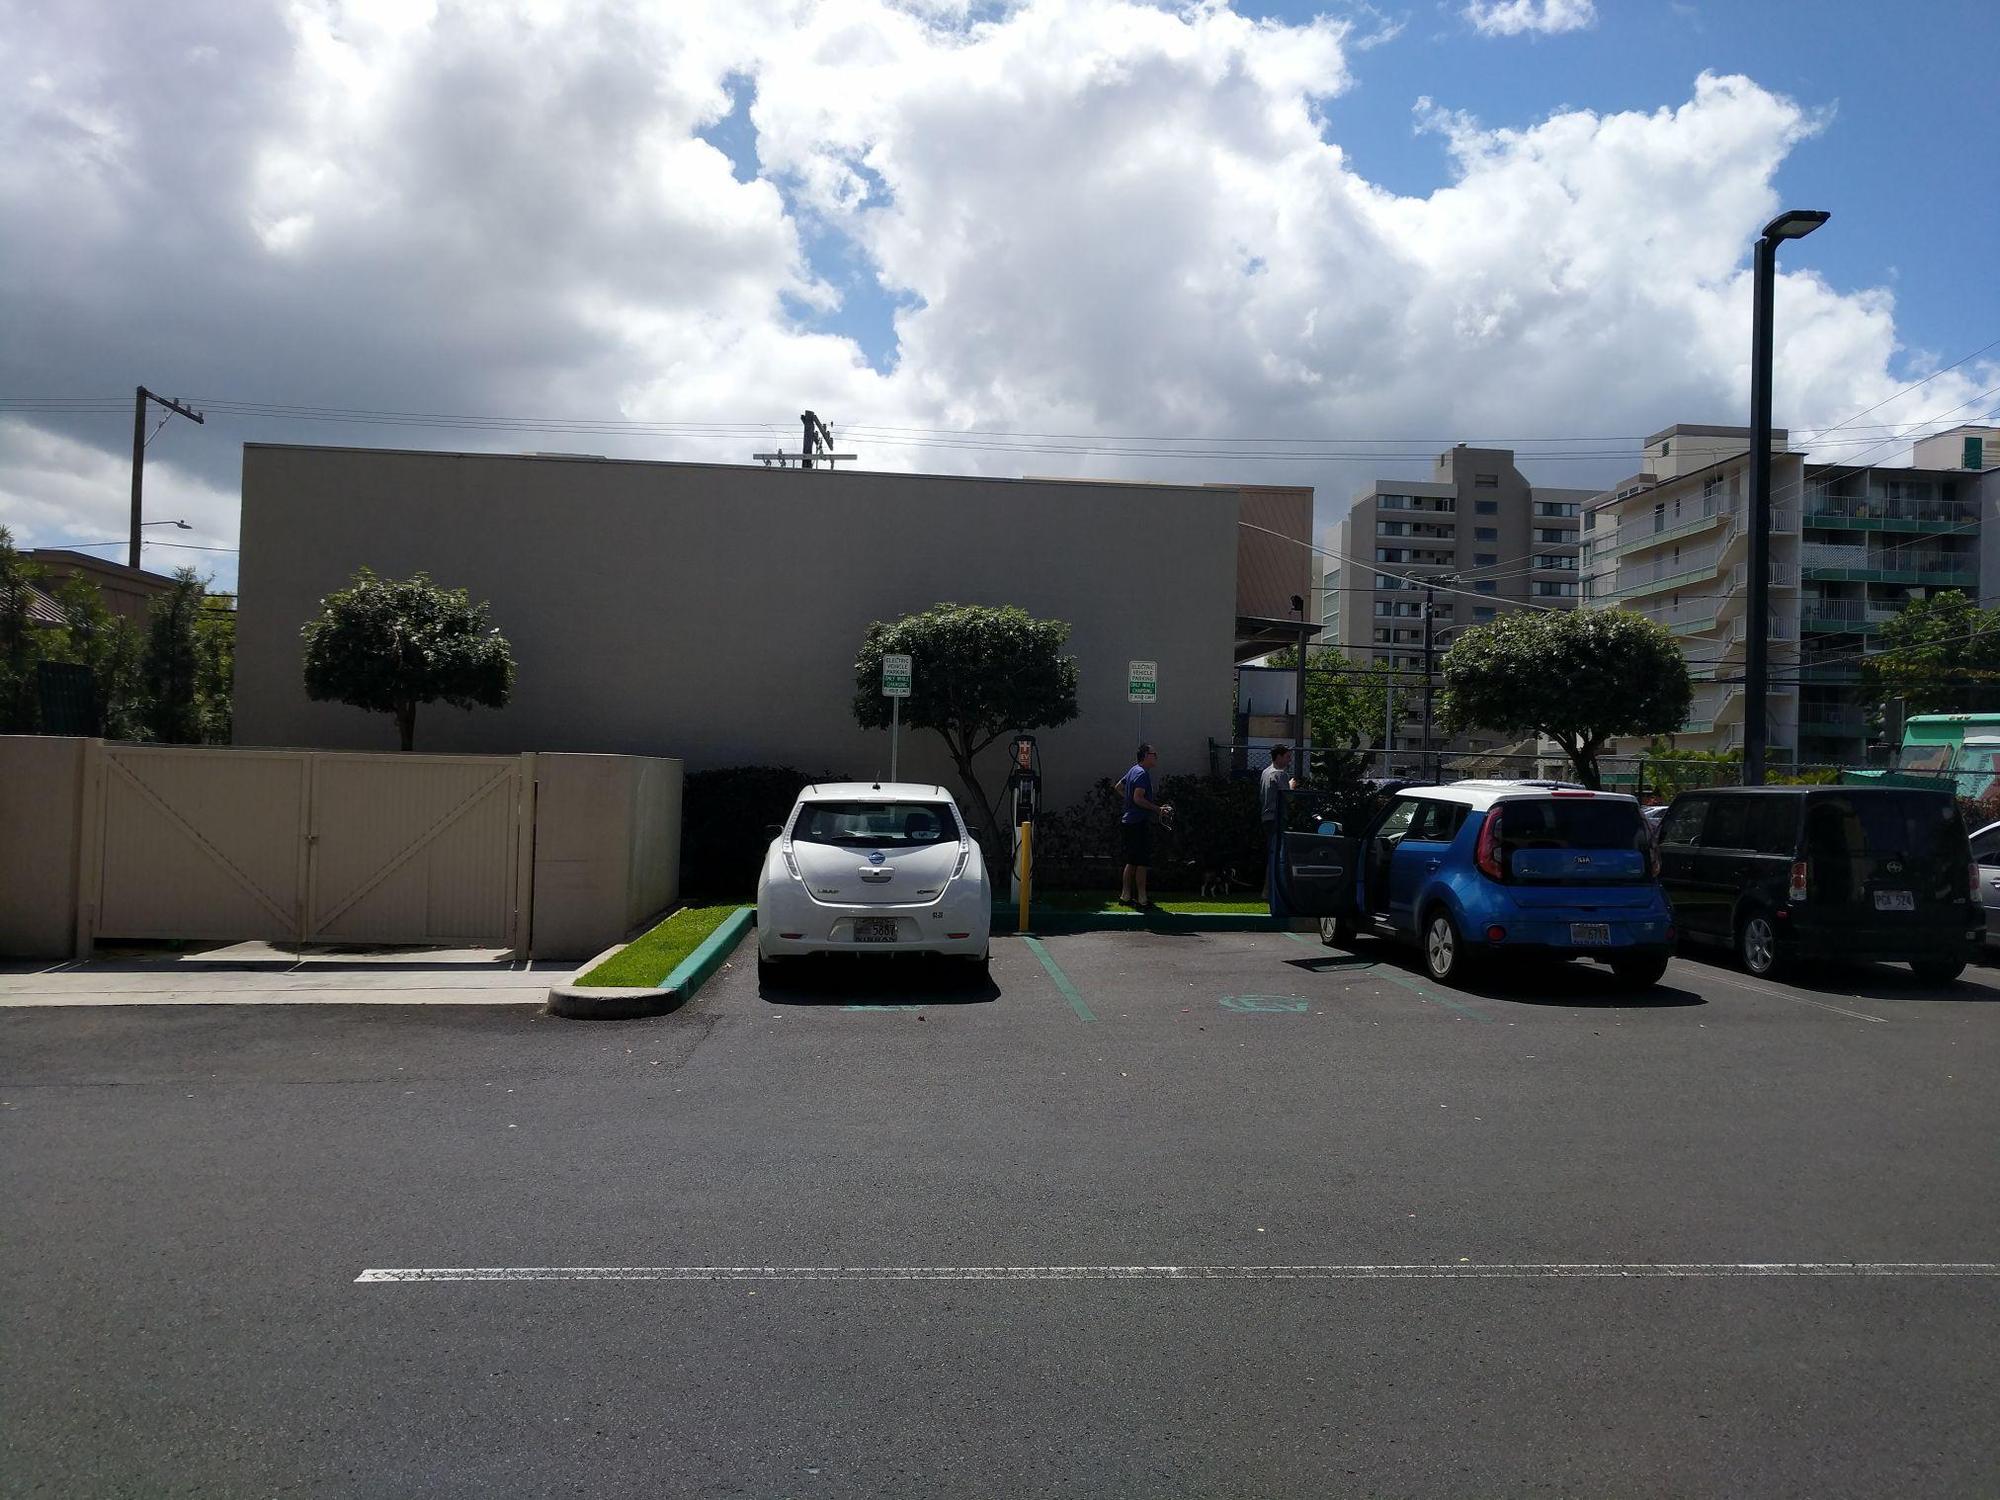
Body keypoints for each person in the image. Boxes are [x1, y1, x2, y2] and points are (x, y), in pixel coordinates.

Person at [1117, 743, 1164, 908]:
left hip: (1129, 821)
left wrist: (1128, 801)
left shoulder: (1133, 770)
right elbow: (1138, 798)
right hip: (1137, 822)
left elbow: (1119, 787)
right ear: (1146, 755)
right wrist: (1157, 809)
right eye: (1154, 753)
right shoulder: (1142, 773)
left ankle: (1125, 895)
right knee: (1142, 861)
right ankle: (1142, 898)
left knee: (1132, 860)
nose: (1156, 756)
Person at [1260, 744, 1296, 900]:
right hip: (1277, 817)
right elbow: (1288, 797)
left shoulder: (1265, 773)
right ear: (1279, 756)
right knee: (1278, 855)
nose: (1289, 760)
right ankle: (1272, 891)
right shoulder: (1280, 774)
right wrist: (1291, 786)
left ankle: (1268, 890)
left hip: (1266, 817)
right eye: (1287, 757)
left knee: (1272, 853)